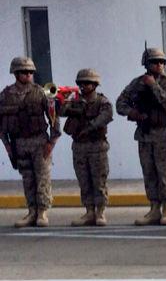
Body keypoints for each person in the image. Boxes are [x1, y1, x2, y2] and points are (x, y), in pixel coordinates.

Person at [116, 48, 166, 226]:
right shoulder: (137, 83)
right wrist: (133, 113)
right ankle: (154, 208)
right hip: (145, 135)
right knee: (149, 172)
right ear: (146, 64)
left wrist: (153, 85)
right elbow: (120, 103)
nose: (159, 65)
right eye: (154, 62)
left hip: (163, 135)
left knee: (165, 172)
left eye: (161, 62)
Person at [1, 57, 61, 228]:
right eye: (24, 72)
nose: (28, 75)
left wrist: (52, 141)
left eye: (30, 72)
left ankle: (42, 212)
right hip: (19, 142)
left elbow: (53, 118)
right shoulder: (5, 95)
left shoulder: (41, 92)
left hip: (39, 141)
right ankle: (32, 211)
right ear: (16, 73)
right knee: (27, 178)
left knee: (42, 177)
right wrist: (7, 145)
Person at [61, 68, 114, 227]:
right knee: (84, 181)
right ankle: (89, 211)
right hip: (79, 146)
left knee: (99, 180)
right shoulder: (74, 101)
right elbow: (61, 112)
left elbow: (106, 116)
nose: (83, 86)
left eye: (87, 83)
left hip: (97, 146)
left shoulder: (102, 102)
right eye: (81, 83)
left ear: (95, 84)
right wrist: (64, 100)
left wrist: (89, 127)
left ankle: (100, 212)